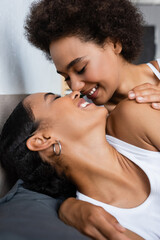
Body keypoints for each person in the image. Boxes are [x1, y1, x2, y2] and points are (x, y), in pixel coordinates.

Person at [24, 0, 160, 238]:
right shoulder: (97, 122)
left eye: (81, 68)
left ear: (115, 43)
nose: (75, 86)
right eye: (66, 77)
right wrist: (68, 207)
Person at [0, 91, 160, 240]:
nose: (75, 91)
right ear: (42, 140)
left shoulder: (135, 117)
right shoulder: (98, 222)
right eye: (54, 99)